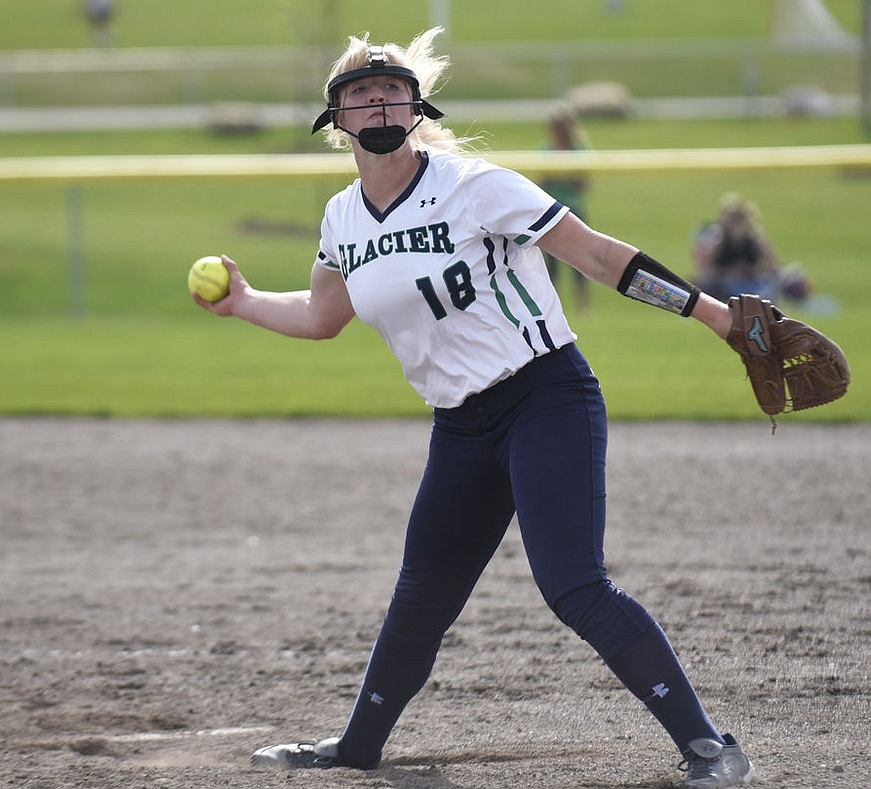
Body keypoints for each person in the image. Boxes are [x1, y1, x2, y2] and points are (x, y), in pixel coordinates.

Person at [192, 28, 755, 789]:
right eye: (360, 93)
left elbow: (595, 255)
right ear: (337, 121)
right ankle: (356, 747)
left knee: (573, 584)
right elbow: (324, 315)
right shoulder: (342, 220)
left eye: (391, 89)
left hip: (544, 396)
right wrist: (249, 302)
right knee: (420, 596)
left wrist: (717, 316)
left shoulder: (473, 185)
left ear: (417, 104)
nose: (378, 101)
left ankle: (710, 746)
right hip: (460, 424)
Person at [537, 102, 593, 315]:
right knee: (551, 262)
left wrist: (563, 177)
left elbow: (584, 183)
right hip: (551, 208)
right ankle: (554, 304)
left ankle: (583, 304)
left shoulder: (579, 150)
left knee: (581, 259)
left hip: (574, 208)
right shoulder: (545, 149)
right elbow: (540, 182)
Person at [692, 192, 782, 303]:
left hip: (751, 281)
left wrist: (749, 271)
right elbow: (705, 270)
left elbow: (773, 266)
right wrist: (728, 272)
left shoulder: (754, 237)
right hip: (724, 283)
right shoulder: (718, 237)